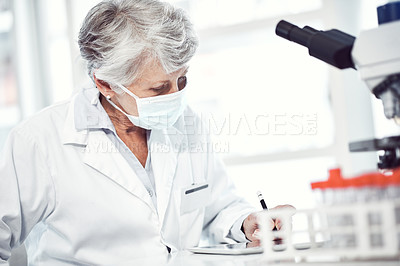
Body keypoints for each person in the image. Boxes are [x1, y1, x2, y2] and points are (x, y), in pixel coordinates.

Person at [0, 0, 292, 264]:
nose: (175, 95)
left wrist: (246, 223)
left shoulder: (185, 123)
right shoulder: (39, 141)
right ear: (105, 84)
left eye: (182, 80)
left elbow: (217, 207)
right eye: (159, 88)